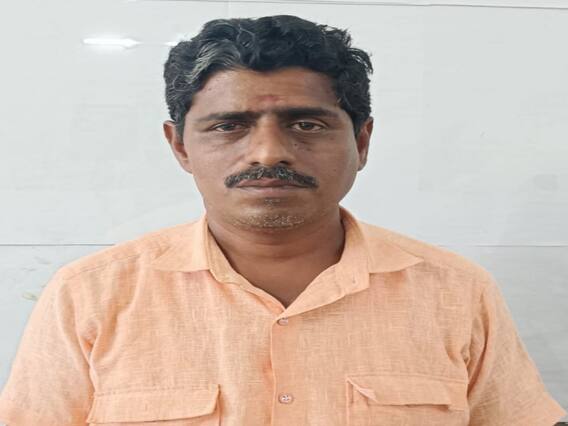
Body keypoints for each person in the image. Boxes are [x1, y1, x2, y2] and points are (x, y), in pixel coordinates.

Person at [0, 14, 565, 426]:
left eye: (307, 124)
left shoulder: (457, 293)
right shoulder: (91, 296)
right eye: (229, 126)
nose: (269, 152)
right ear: (180, 146)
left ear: (361, 142)